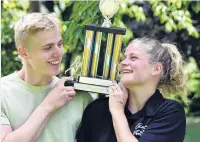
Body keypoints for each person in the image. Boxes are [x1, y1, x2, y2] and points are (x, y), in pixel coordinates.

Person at [1, 13, 92, 142]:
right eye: (48, 48)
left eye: (59, 44)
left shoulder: (78, 96)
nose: (59, 53)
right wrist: (48, 105)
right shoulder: (2, 92)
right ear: (23, 52)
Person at [76, 37, 186, 142]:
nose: (123, 63)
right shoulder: (98, 109)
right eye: (124, 58)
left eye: (133, 58)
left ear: (156, 69)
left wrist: (117, 111)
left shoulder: (170, 112)